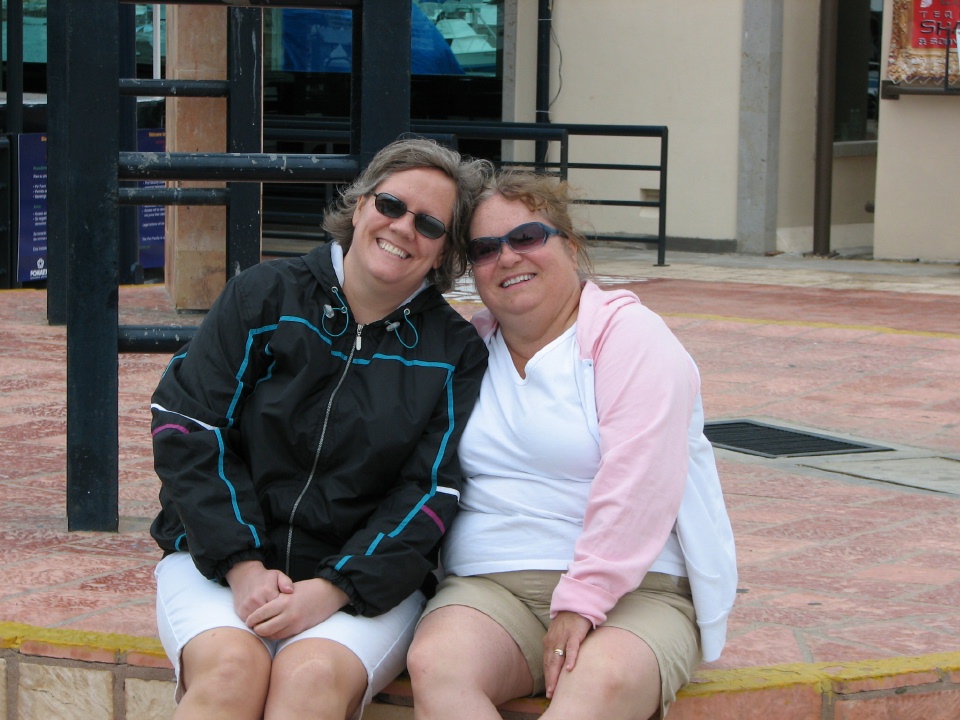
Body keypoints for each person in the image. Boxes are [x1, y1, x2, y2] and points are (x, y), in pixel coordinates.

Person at [150, 138, 491, 720]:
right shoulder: (263, 296)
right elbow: (187, 427)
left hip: (362, 581)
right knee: (230, 672)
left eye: (430, 223)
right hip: (218, 559)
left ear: (444, 253)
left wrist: (335, 587)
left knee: (309, 682)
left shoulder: (453, 350)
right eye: (390, 204)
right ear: (359, 206)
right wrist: (242, 565)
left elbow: (432, 491)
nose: (404, 227)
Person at [406, 169, 737, 720]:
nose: (507, 257)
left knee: (594, 691)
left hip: (635, 593)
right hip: (491, 589)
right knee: (438, 666)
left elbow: (640, 479)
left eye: (527, 237)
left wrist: (583, 598)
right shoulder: (469, 349)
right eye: (485, 249)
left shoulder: (628, 337)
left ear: (571, 245)